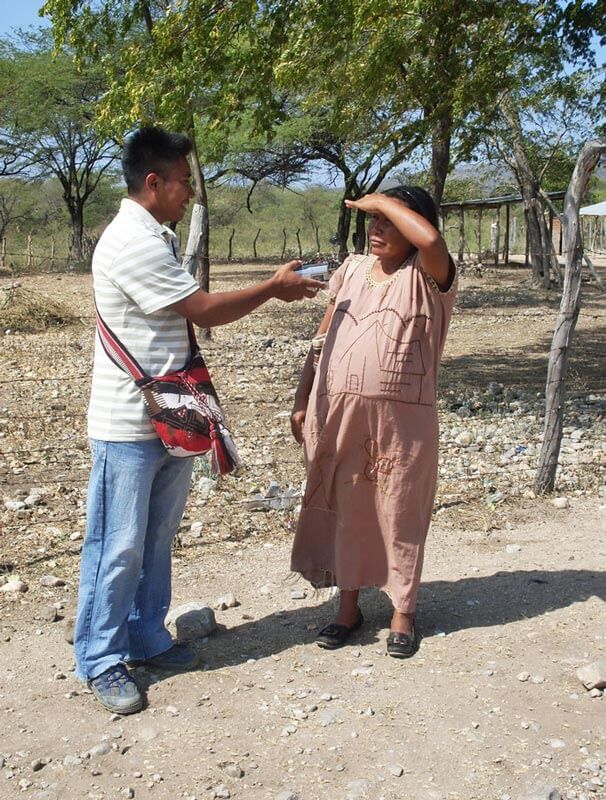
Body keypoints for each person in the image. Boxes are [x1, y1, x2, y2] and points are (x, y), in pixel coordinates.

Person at [76, 126, 323, 714]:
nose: (192, 193)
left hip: (166, 416)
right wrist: (274, 287)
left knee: (153, 540)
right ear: (154, 182)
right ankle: (100, 657)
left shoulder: (151, 235)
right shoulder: (132, 242)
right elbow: (204, 310)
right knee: (117, 546)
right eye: (185, 182)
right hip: (129, 424)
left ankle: (146, 636)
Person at [289, 186, 457, 658]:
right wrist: (302, 397)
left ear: (412, 226)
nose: (378, 228)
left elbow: (432, 242)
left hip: (401, 425)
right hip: (337, 413)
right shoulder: (353, 270)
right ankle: (348, 608)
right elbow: (322, 339)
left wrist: (382, 201)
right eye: (374, 221)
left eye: (389, 221)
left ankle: (403, 611)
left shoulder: (429, 274)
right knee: (347, 507)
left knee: (400, 509)